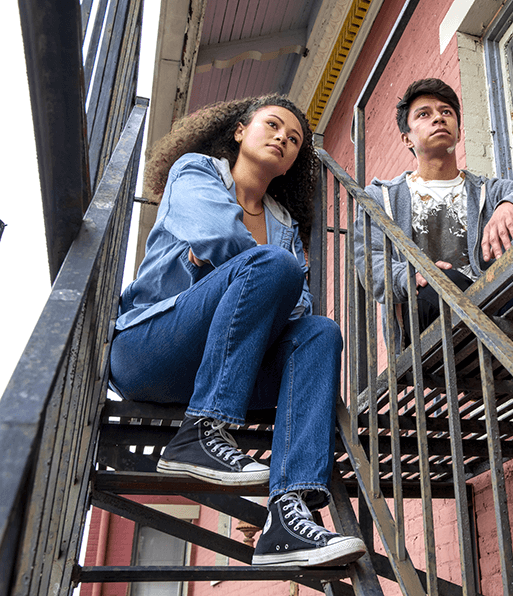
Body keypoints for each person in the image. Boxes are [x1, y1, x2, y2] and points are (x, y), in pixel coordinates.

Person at [109, 95, 366, 568]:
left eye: (293, 140)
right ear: (239, 131)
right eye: (272, 126)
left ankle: (289, 517)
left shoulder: (283, 221)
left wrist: (246, 276)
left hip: (227, 362)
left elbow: (298, 305)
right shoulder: (197, 171)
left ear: (292, 162)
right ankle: (202, 431)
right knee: (273, 265)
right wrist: (256, 274)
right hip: (152, 348)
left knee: (320, 332)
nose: (282, 140)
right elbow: (220, 235)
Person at [354, 78, 513, 348]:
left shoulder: (488, 189)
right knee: (442, 281)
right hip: (430, 313)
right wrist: (410, 275)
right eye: (424, 114)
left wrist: (511, 206)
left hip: (496, 304)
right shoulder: (382, 198)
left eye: (446, 112)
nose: (438, 118)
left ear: (459, 132)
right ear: (406, 138)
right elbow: (371, 264)